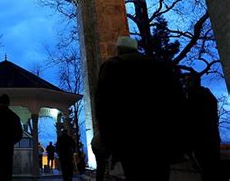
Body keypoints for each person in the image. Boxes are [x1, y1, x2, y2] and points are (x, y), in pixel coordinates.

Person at [95, 36, 186, 181]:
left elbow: (104, 106)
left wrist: (109, 142)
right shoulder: (159, 65)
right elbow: (177, 100)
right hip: (161, 138)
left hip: (131, 140)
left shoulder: (112, 66)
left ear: (119, 50)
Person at [184, 72, 224, 181]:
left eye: (189, 81)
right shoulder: (201, 94)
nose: (186, 83)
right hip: (205, 140)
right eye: (185, 81)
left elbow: (195, 120)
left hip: (206, 140)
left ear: (196, 82)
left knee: (210, 171)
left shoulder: (199, 95)